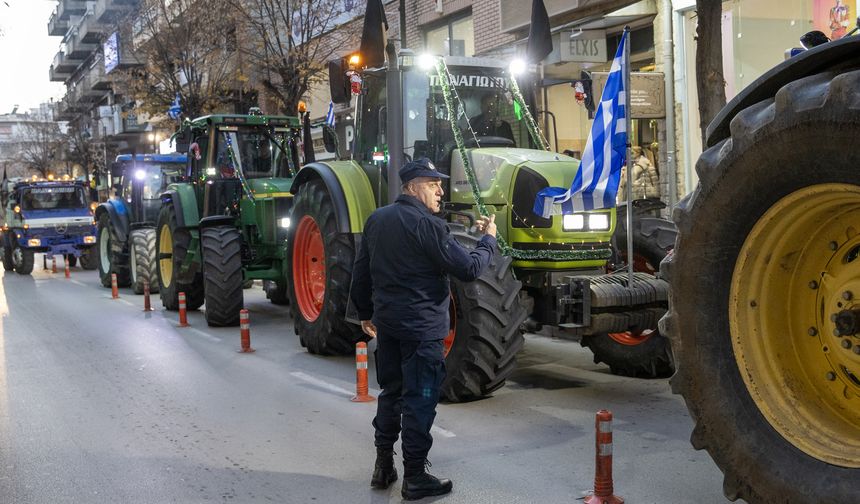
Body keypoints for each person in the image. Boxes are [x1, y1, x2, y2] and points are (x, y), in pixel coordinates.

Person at [350, 157, 498, 501]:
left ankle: (383, 466)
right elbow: (469, 270)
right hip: (422, 331)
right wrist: (488, 240)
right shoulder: (428, 226)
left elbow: (362, 272)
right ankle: (415, 476)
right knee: (420, 401)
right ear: (413, 187)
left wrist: (365, 313)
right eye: (433, 184)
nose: (440, 190)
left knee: (391, 394)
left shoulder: (377, 220)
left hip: (389, 327)